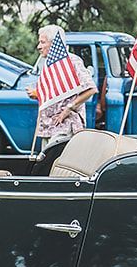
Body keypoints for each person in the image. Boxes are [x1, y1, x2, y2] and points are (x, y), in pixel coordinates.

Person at [27, 25, 97, 174]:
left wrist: (68, 109)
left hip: (65, 124)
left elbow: (91, 89)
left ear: (55, 43)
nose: (39, 47)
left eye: (43, 42)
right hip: (48, 126)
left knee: (55, 166)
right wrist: (38, 94)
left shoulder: (72, 61)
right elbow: (56, 92)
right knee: (46, 167)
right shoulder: (47, 64)